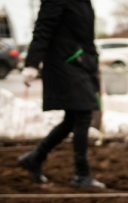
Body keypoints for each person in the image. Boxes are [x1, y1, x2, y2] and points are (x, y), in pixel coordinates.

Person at [18, 0, 105, 188]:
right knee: (83, 113)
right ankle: (81, 174)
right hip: (64, 62)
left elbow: (83, 34)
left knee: (72, 119)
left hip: (80, 62)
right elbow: (43, 27)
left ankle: (35, 157)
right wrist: (32, 63)